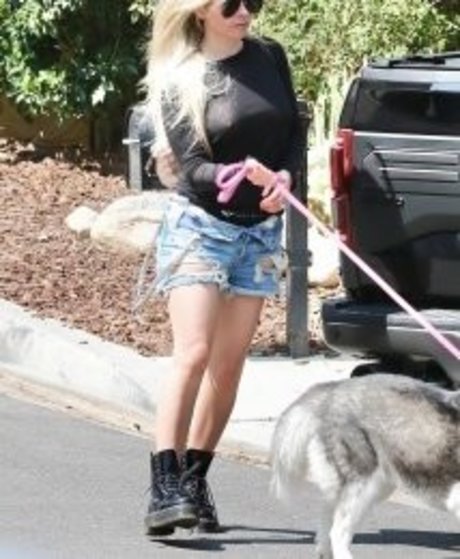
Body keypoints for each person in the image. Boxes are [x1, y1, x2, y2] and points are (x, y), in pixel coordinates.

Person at [142, 0, 304, 536]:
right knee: (193, 353)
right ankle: (163, 486)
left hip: (259, 234)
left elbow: (293, 132)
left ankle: (193, 481)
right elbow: (191, 169)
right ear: (199, 12)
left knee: (229, 366)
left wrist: (284, 179)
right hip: (201, 229)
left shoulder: (269, 57)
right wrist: (237, 174)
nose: (244, 12)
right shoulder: (180, 75)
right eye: (230, 4)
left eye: (252, 1)